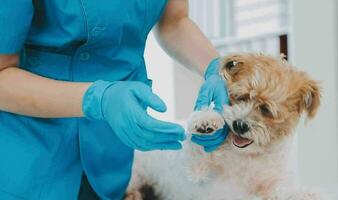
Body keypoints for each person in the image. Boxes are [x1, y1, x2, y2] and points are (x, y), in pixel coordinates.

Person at [0, 0, 229, 199]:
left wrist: (218, 69)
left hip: (110, 152)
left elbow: (175, 22)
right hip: (26, 149)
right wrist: (98, 99)